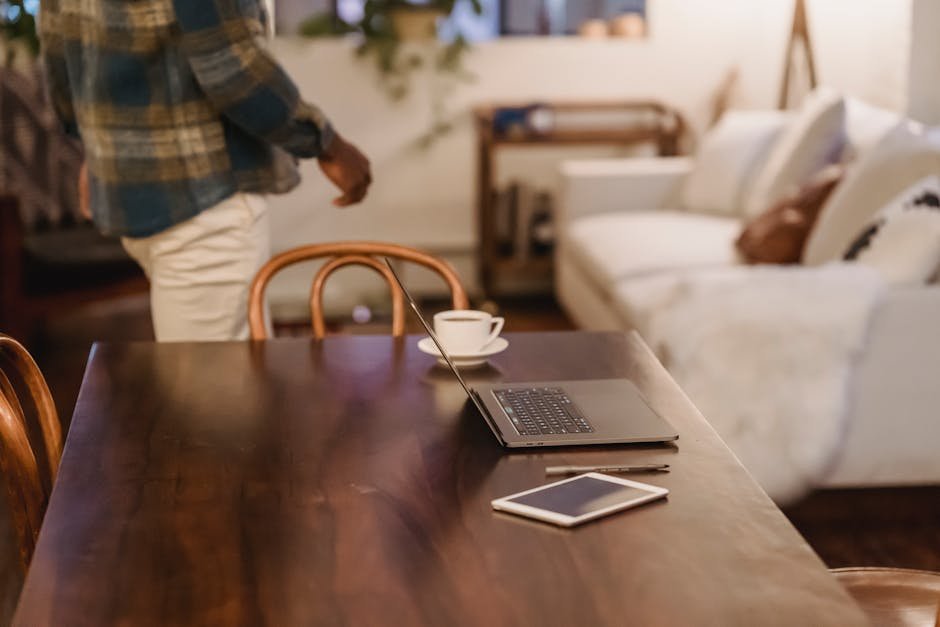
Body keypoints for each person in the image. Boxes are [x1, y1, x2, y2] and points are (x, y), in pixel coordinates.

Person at [38, 0, 371, 341]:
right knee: (215, 387)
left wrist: (91, 149)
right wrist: (328, 144)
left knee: (207, 378)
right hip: (203, 200)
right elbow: (233, 68)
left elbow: (59, 48)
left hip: (152, 201)